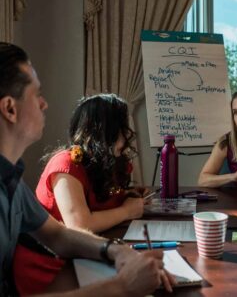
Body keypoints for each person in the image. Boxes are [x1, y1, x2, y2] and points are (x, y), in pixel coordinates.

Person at [0, 41, 175, 296]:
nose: (44, 104)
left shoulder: (11, 179)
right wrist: (123, 286)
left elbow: (58, 234)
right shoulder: (63, 164)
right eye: (36, 94)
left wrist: (116, 251)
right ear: (10, 109)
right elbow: (77, 223)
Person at [13, 94, 148, 294]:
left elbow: (99, 201)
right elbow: (79, 224)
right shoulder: (66, 164)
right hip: (50, 266)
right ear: (104, 132)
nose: (126, 137)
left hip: (84, 256)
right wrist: (127, 212)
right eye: (121, 129)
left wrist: (125, 194)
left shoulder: (105, 164)